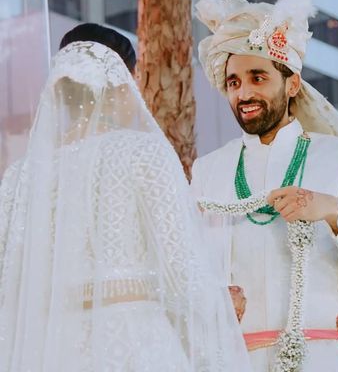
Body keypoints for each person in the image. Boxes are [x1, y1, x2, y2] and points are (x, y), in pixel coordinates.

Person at [0, 24, 251, 372]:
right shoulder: (142, 152)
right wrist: (223, 303)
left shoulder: (19, 178)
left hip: (52, 349)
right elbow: (182, 270)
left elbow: (9, 286)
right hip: (134, 344)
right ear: (122, 83)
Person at [191, 0, 338, 372]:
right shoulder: (208, 170)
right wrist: (210, 299)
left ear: (292, 84)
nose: (243, 93)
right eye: (232, 82)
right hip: (233, 360)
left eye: (257, 77)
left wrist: (333, 212)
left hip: (324, 359)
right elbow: (185, 266)